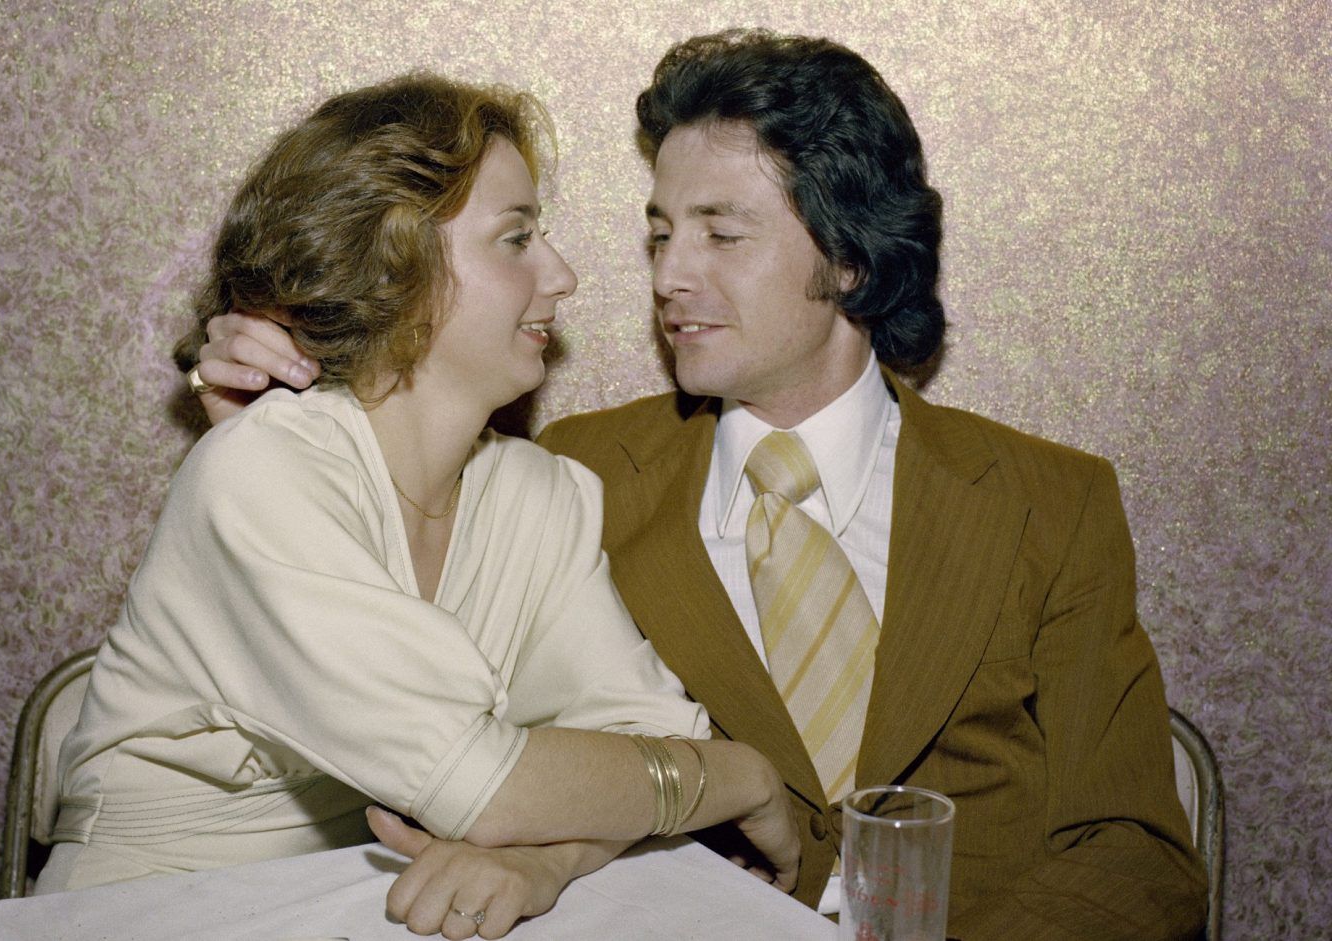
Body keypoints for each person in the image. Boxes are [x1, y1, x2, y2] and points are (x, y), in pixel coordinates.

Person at [196, 31, 1211, 940]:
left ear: (851, 257)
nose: (668, 275)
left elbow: (1136, 851)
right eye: (659, 233)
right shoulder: (572, 477)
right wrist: (291, 378)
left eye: (721, 234)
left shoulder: (1050, 501)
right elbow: (403, 686)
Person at [40, 73, 805, 940]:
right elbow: (485, 782)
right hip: (142, 912)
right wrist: (744, 777)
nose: (562, 275)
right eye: (516, 238)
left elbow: (639, 732)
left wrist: (545, 859)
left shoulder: (538, 492)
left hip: (364, 910)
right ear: (392, 267)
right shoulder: (259, 469)